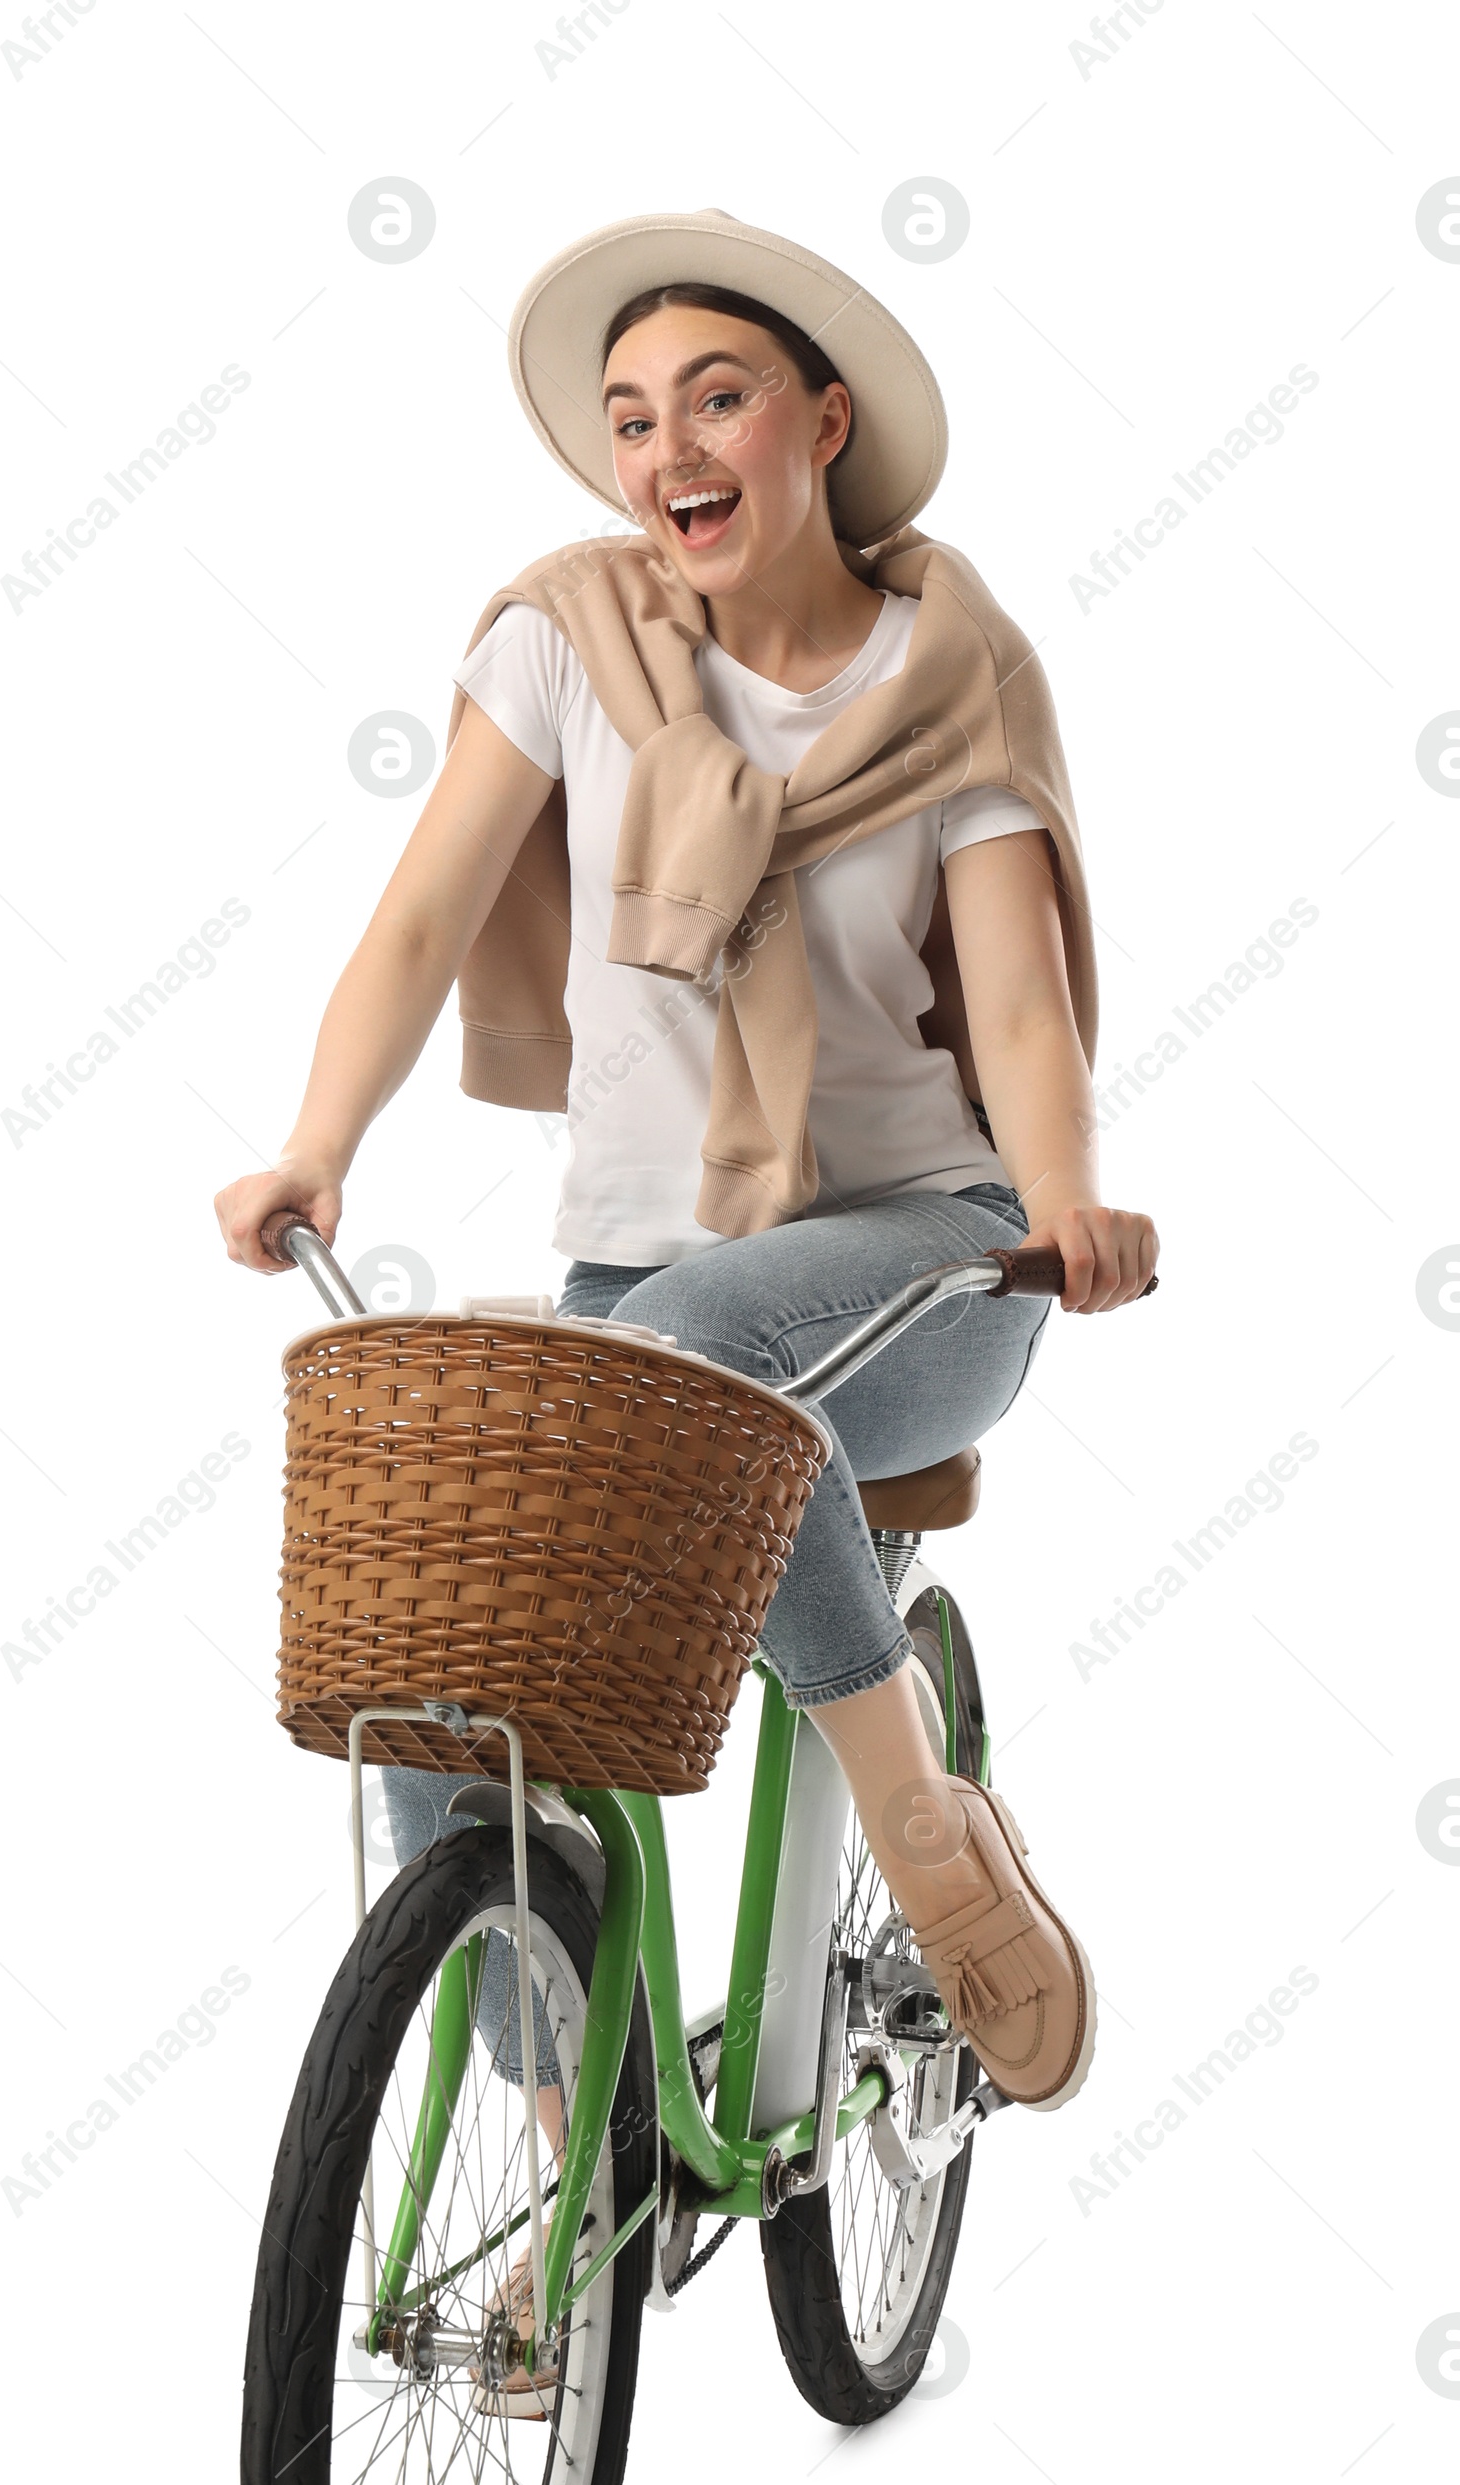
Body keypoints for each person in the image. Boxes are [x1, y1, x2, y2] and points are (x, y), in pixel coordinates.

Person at [215, 208, 1158, 2150]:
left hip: (925, 1269)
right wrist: (314, 1141)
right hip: (642, 1281)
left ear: (818, 425)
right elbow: (419, 924)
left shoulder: (949, 674)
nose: (664, 452)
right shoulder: (566, 639)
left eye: (710, 400)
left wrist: (1063, 1196)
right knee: (450, 1682)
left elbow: (1017, 1000)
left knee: (706, 1359)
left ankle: (919, 1815)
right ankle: (574, 2163)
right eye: (629, 419)